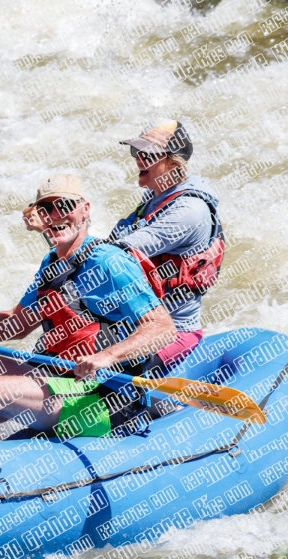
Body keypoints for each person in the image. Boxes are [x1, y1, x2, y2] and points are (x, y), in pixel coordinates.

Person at [0, 175, 177, 445]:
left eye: (64, 206)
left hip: (106, 402)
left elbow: (163, 329)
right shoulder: (53, 262)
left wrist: (106, 357)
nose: (54, 216)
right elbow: (18, 324)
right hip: (64, 382)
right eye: (46, 210)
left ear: (84, 209)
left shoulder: (110, 262)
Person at [108, 120, 223, 374]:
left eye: (147, 154)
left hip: (171, 334)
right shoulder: (153, 199)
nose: (138, 159)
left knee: (104, 390)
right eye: (136, 152)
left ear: (173, 163)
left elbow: (117, 253)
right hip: (138, 326)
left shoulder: (189, 211)